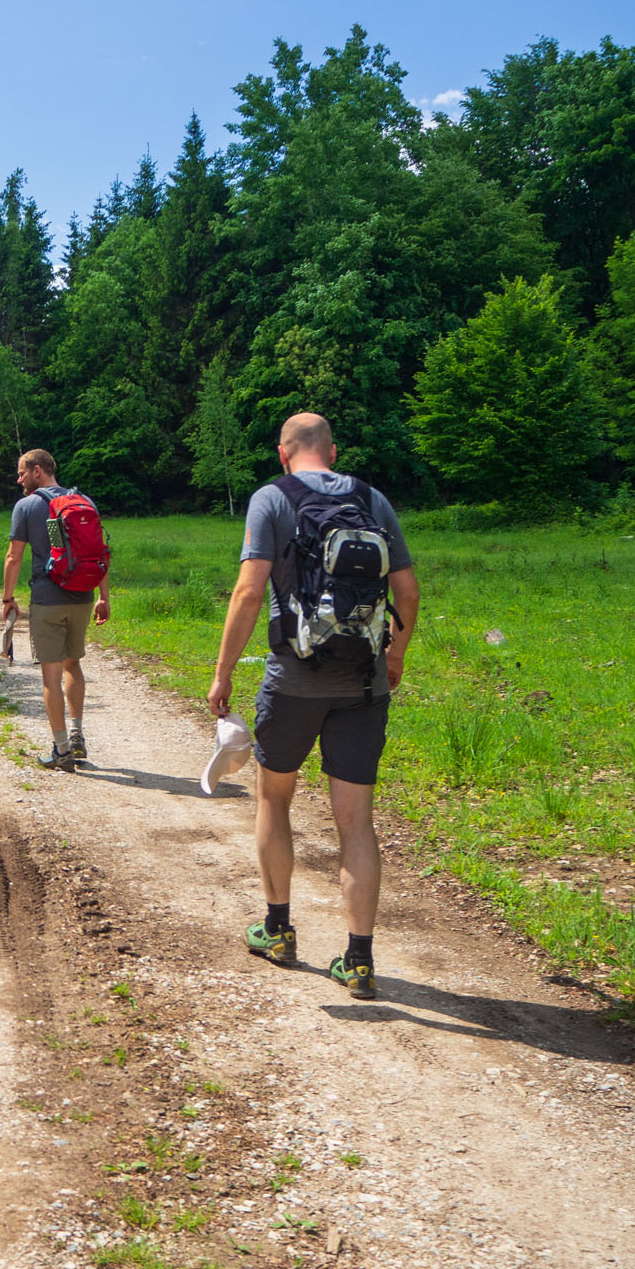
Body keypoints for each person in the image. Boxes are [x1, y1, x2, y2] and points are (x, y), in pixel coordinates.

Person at [207, 413, 420, 1000]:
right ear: (332, 450)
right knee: (356, 820)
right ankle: (358, 960)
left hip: (294, 681)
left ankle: (277, 930)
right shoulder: (373, 499)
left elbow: (251, 591)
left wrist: (223, 672)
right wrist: (393, 659)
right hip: (362, 683)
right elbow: (406, 592)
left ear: (283, 453)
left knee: (274, 796)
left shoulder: (271, 499)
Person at [2, 449, 111, 771]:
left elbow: (14, 557)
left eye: (22, 472)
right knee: (72, 665)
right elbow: (100, 552)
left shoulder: (27, 505)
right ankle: (77, 735)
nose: (19, 479)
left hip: (48, 598)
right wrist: (104, 597)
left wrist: (8, 599)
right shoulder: (85, 501)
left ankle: (61, 750)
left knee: (50, 677)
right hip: (83, 595)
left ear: (38, 471)